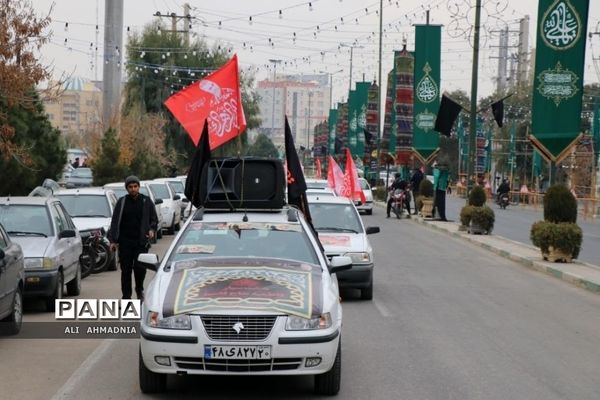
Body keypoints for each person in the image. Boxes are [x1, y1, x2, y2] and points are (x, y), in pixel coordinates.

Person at [108, 176, 159, 300]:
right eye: (130, 187)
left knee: (140, 268)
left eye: (135, 186)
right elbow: (115, 222)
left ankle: (139, 289)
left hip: (141, 242)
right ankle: (126, 295)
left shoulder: (146, 201)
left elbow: (154, 219)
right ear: (127, 188)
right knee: (126, 270)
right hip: (125, 242)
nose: (133, 189)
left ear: (139, 187)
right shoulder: (122, 202)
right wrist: (113, 241)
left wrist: (152, 230)